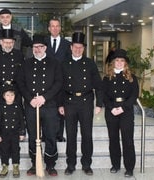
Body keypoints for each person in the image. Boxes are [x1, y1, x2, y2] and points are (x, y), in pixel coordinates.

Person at [17, 35, 63, 176]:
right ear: (32, 49)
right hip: (31, 105)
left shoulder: (55, 63)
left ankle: (50, 164)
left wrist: (44, 97)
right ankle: (34, 163)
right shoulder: (26, 63)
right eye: (35, 47)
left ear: (45, 48)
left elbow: (58, 82)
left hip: (49, 105)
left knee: (50, 134)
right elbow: (21, 83)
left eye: (40, 47)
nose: (38, 49)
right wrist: (30, 98)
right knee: (33, 135)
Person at [58, 32, 103, 176]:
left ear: (84, 49)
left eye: (80, 47)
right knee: (71, 135)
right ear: (71, 47)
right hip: (69, 102)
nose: (78, 50)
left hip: (86, 102)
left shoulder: (90, 63)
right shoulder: (63, 63)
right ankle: (70, 164)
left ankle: (86, 164)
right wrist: (60, 105)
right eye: (75, 47)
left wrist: (99, 104)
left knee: (86, 135)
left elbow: (98, 85)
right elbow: (60, 86)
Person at [0, 29, 24, 159]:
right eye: (6, 42)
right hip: (0, 91)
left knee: (16, 119)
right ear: (1, 42)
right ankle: (0, 149)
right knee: (0, 120)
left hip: (15, 91)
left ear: (13, 43)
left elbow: (21, 74)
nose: (8, 45)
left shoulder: (19, 54)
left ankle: (15, 149)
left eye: (10, 42)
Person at [102, 49, 139, 178]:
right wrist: (112, 108)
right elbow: (104, 95)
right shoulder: (107, 78)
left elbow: (134, 95)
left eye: (122, 60)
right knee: (113, 140)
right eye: (117, 60)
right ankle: (115, 165)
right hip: (111, 111)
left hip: (126, 111)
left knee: (128, 140)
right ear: (113, 62)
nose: (119, 63)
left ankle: (129, 168)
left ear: (125, 63)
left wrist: (122, 108)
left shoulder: (132, 77)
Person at [45, 18, 71, 142]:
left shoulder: (67, 44)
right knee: (46, 110)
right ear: (49, 28)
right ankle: (45, 135)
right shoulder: (43, 43)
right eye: (52, 26)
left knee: (61, 109)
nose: (55, 28)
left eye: (57, 26)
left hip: (62, 82)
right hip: (46, 82)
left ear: (60, 28)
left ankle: (59, 135)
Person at [0, 85, 25, 178]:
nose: (10, 97)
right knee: (4, 150)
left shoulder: (18, 107)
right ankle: (5, 166)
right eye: (7, 95)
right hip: (4, 133)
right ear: (4, 96)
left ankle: (16, 166)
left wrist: (22, 133)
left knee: (16, 150)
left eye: (12, 95)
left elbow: (21, 120)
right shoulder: (0, 107)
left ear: (15, 96)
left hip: (15, 133)